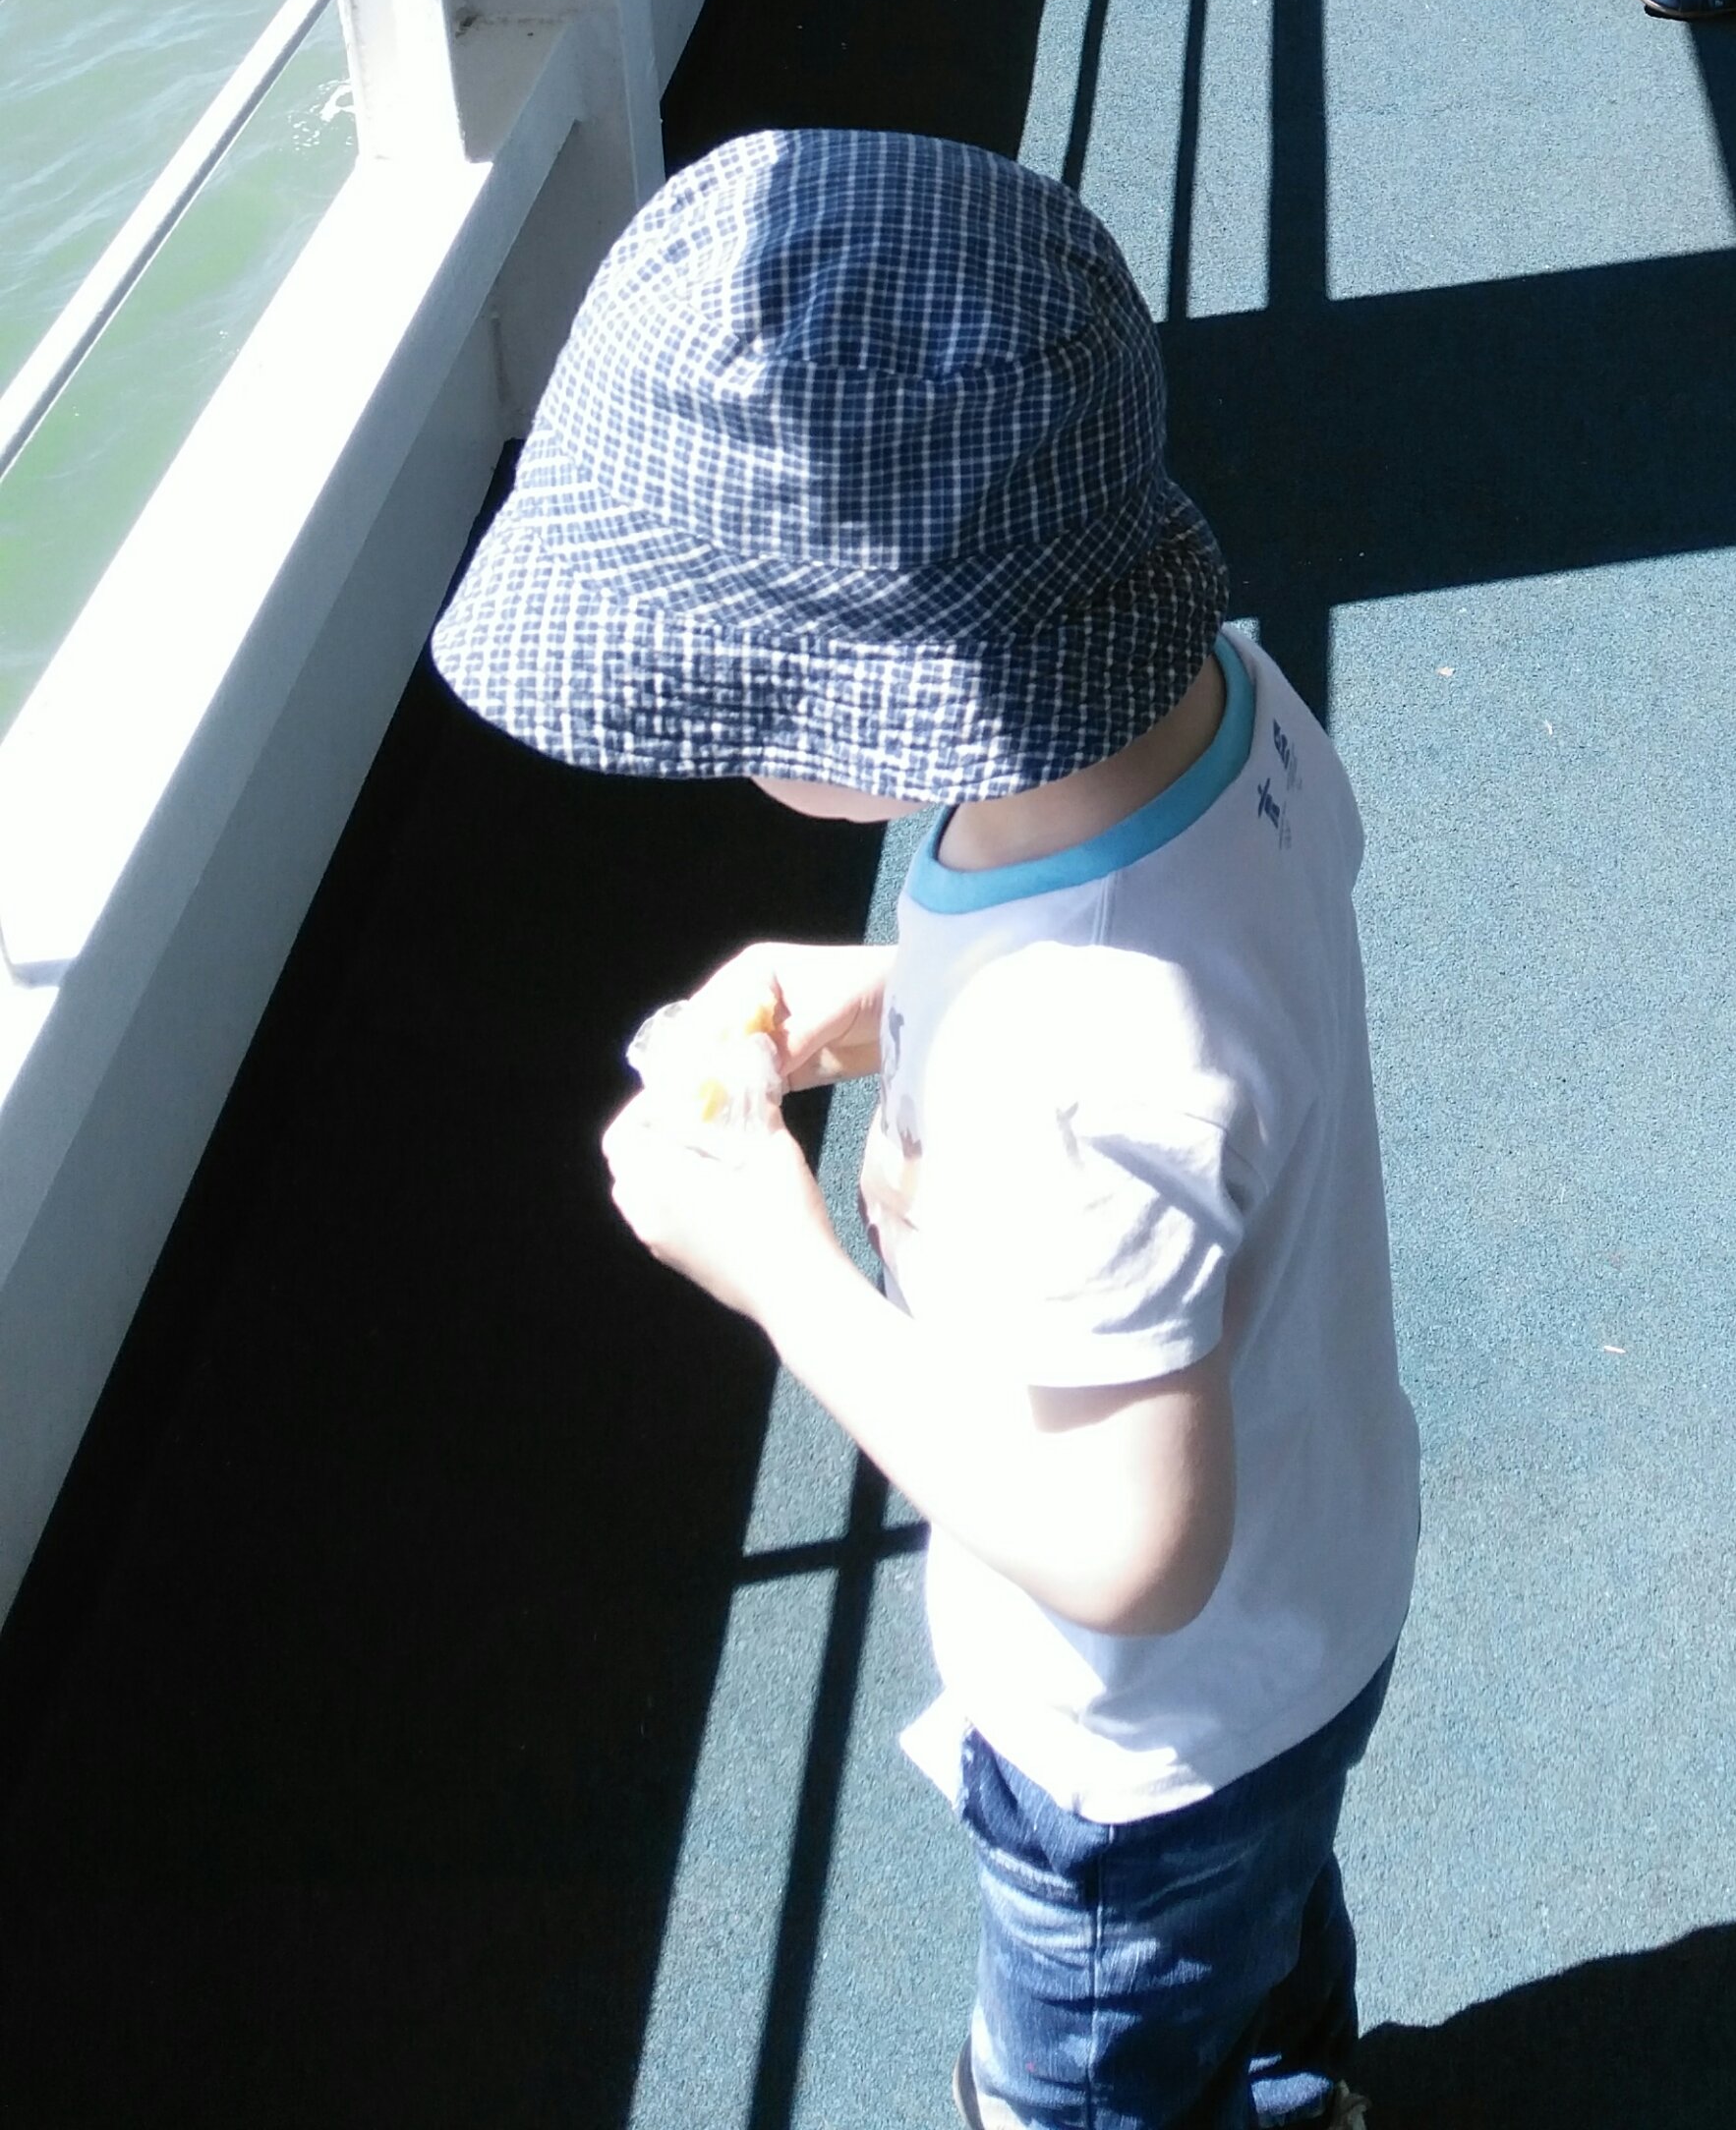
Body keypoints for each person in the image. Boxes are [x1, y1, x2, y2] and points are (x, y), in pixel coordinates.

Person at [430, 130, 1419, 2127]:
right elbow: (1188, 995)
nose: (733, 740)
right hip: (1315, 1598)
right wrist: (899, 994)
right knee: (1266, 1932)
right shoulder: (1218, 699)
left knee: (1089, 2075)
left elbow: (1127, 1547)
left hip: (1137, 1753)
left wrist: (781, 1267)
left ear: (883, 689)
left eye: (745, 696)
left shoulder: (1080, 1047)